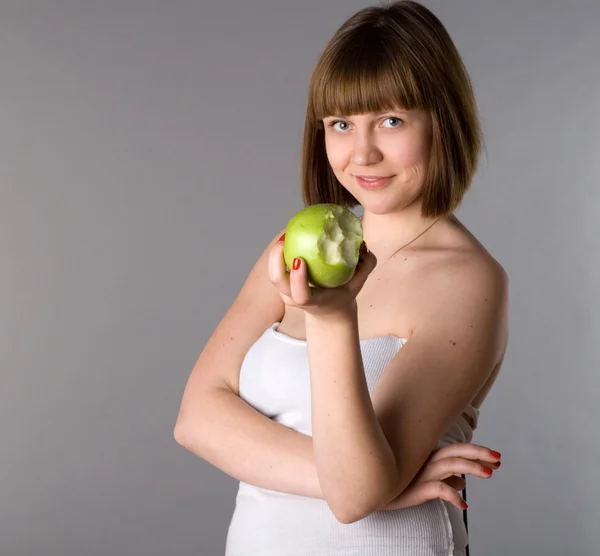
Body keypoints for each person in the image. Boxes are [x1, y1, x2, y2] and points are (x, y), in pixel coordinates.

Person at [174, 1, 509, 554]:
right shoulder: (298, 248)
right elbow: (197, 418)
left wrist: (332, 320)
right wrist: (380, 487)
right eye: (341, 124)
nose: (362, 152)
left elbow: (353, 495)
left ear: (442, 121)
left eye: (392, 120)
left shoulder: (468, 280)